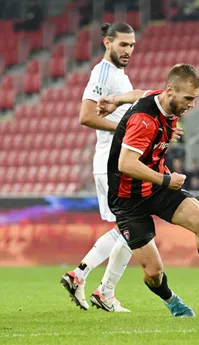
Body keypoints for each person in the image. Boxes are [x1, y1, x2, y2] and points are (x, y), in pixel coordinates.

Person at [95, 63, 199, 316]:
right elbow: (125, 163)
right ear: (171, 91)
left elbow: (139, 92)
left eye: (195, 98)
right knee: (153, 273)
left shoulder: (160, 98)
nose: (192, 105)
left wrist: (115, 101)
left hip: (156, 187)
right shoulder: (144, 121)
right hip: (128, 199)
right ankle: (172, 301)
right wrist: (165, 180)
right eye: (188, 98)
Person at [60, 22, 156, 313]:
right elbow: (86, 116)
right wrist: (125, 131)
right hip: (112, 162)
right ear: (107, 43)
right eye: (123, 45)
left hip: (114, 162)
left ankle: (82, 276)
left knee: (126, 226)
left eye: (132, 45)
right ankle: (103, 291)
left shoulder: (117, 75)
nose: (128, 50)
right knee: (134, 226)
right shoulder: (102, 73)